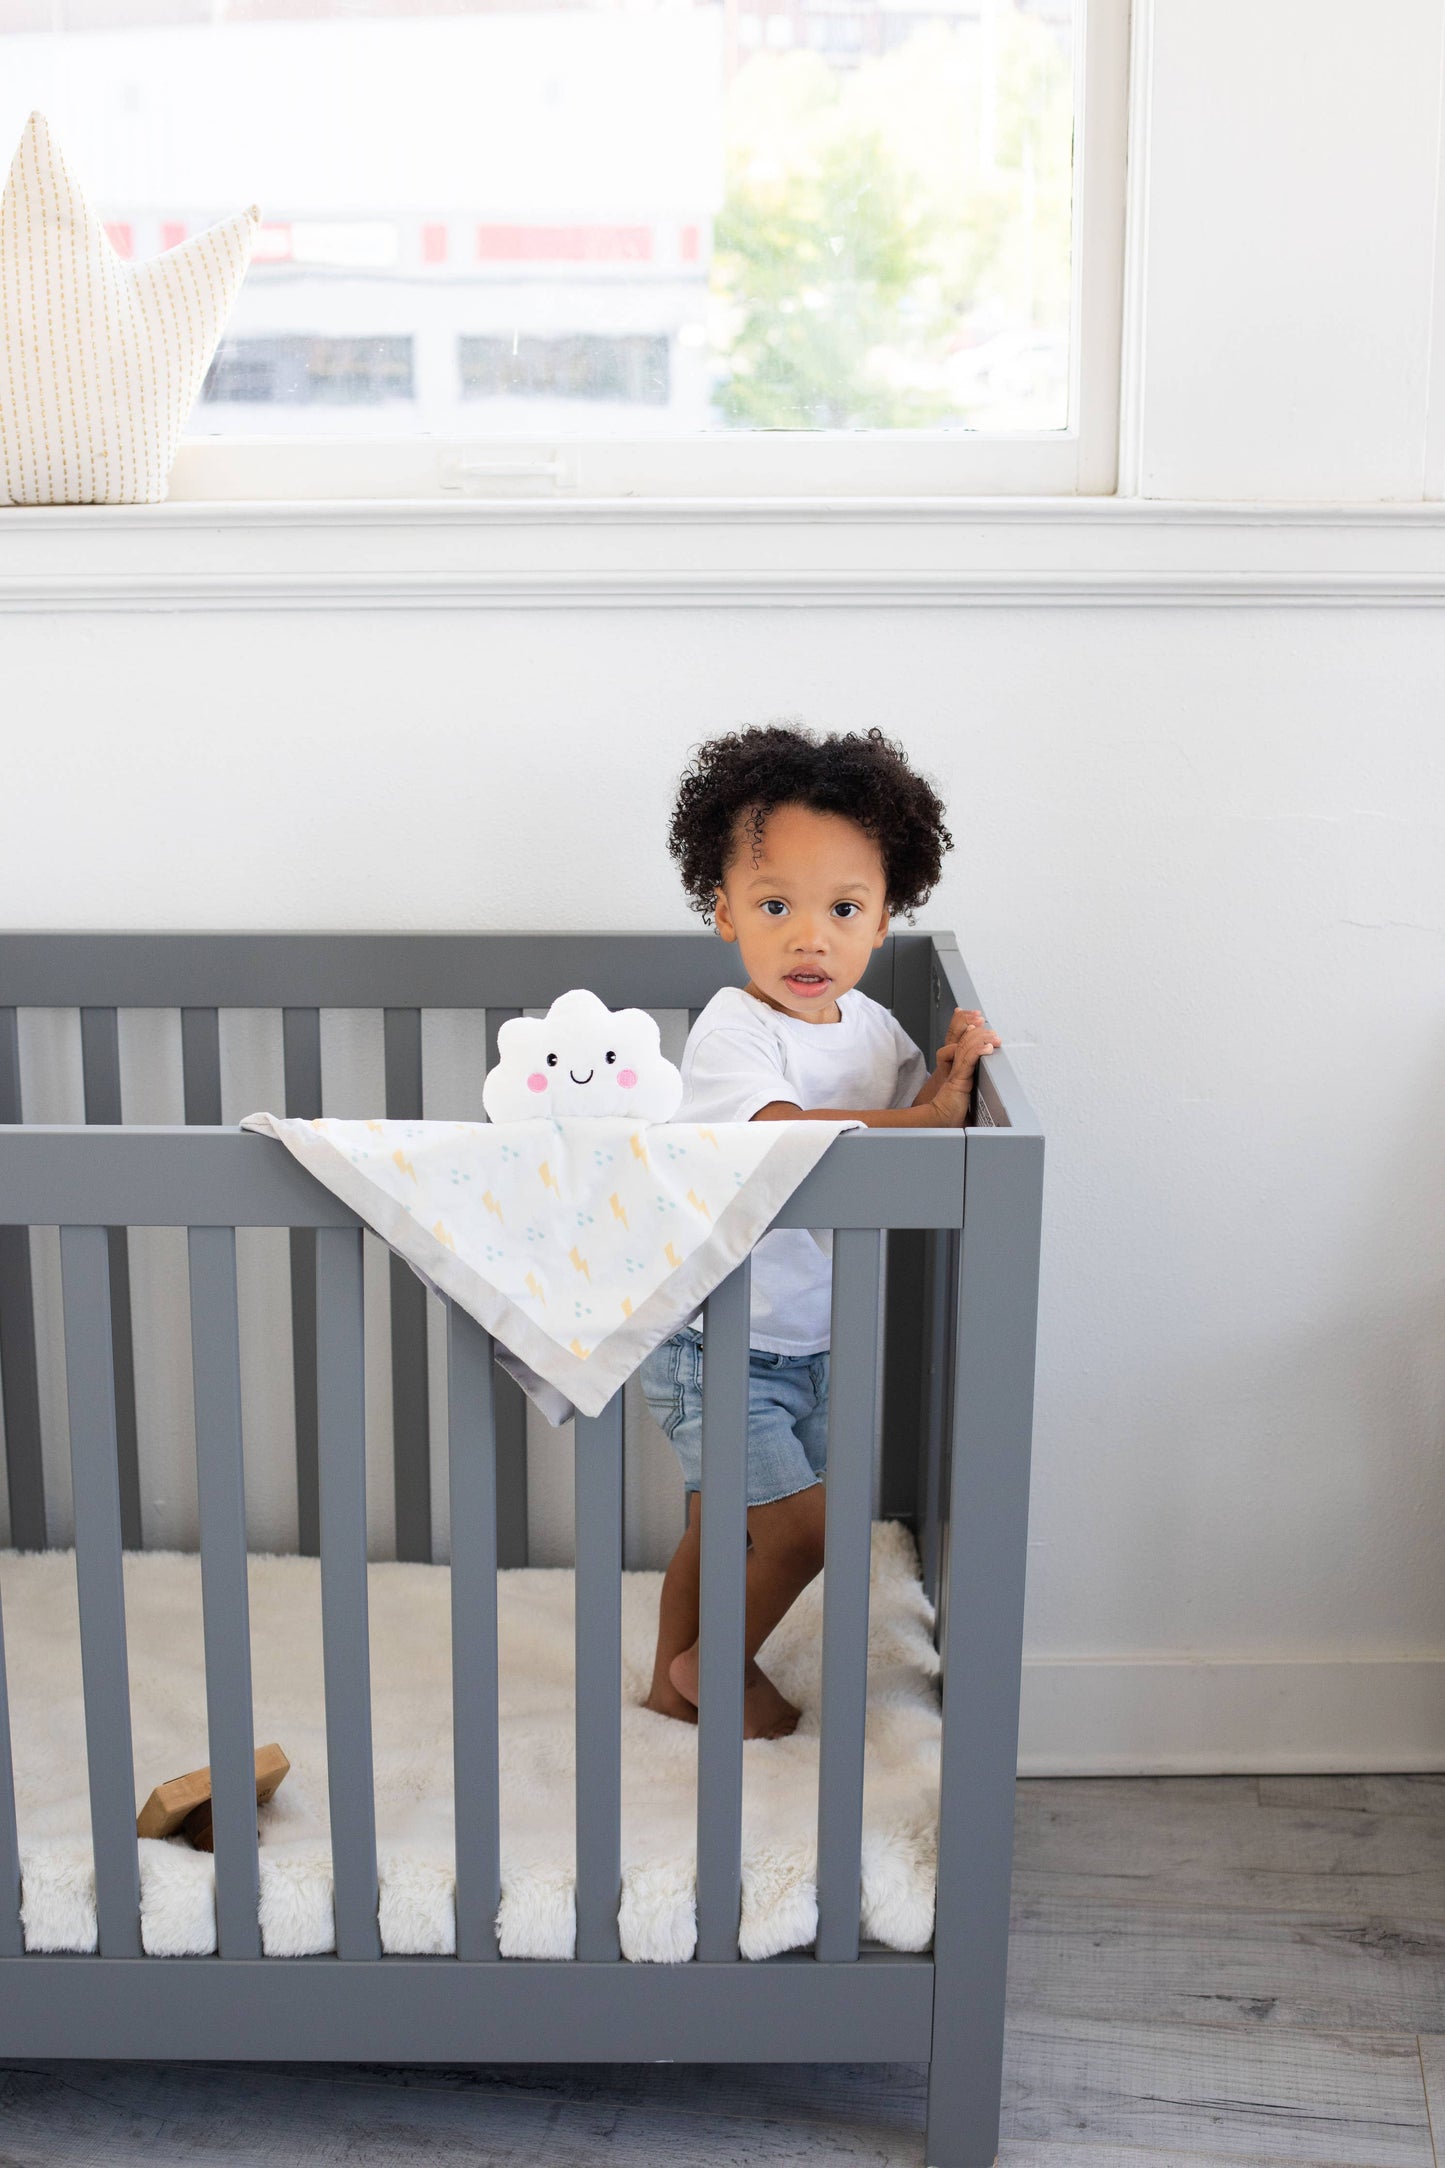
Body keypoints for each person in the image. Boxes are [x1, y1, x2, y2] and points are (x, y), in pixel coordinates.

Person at [639, 723, 1000, 1738]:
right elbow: (778, 1136)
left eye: (842, 907)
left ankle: (671, 1690)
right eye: (773, 905)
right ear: (722, 914)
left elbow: (906, 1128)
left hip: (805, 1338)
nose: (809, 937)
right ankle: (712, 1663)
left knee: (720, 1531)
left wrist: (948, 1079)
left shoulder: (872, 1032)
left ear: (883, 918)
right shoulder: (733, 1031)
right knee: (807, 1529)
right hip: (716, 1339)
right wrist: (924, 1114)